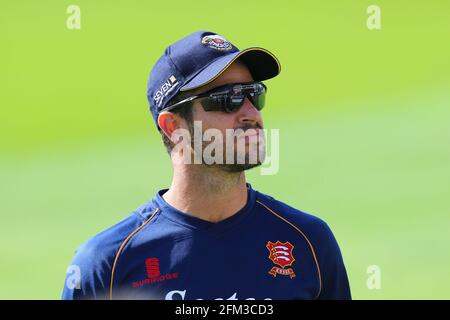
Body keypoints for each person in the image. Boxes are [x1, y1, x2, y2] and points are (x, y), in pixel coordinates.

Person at [62, 31, 351, 300]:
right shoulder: (108, 264)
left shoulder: (309, 242)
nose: (251, 112)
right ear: (174, 126)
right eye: (227, 99)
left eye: (253, 93)